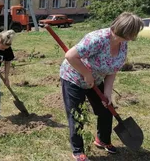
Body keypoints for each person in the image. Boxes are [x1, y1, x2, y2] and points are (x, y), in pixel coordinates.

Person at [60, 12, 143, 161]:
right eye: (131, 33)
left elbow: (113, 70)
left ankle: (102, 140)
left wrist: (107, 93)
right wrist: (86, 74)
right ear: (123, 30)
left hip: (96, 79)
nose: (132, 38)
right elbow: (70, 56)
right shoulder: (97, 39)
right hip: (74, 77)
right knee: (76, 114)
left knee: (106, 109)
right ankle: (78, 150)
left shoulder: (123, 44)